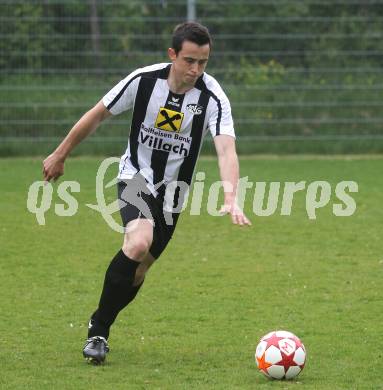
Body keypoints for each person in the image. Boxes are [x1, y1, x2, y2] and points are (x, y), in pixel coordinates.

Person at [43, 21, 251, 364]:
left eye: (203, 62)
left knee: (138, 272)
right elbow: (97, 115)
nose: (195, 70)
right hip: (136, 176)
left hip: (174, 194)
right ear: (172, 55)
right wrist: (60, 153)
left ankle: (101, 319)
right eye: (189, 61)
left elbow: (226, 149)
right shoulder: (143, 81)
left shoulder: (213, 97)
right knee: (138, 242)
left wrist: (231, 196)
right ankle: (99, 332)